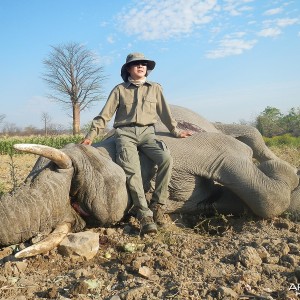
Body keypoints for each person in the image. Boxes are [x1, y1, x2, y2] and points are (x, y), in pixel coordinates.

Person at [82, 52, 192, 234]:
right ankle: (144, 215)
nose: (141, 66)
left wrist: (176, 131)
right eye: (136, 64)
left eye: (144, 64)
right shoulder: (119, 90)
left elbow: (165, 113)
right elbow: (105, 115)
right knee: (132, 172)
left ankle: (158, 205)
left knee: (166, 159)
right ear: (128, 69)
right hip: (125, 134)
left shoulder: (155, 88)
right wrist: (91, 136)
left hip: (148, 133)